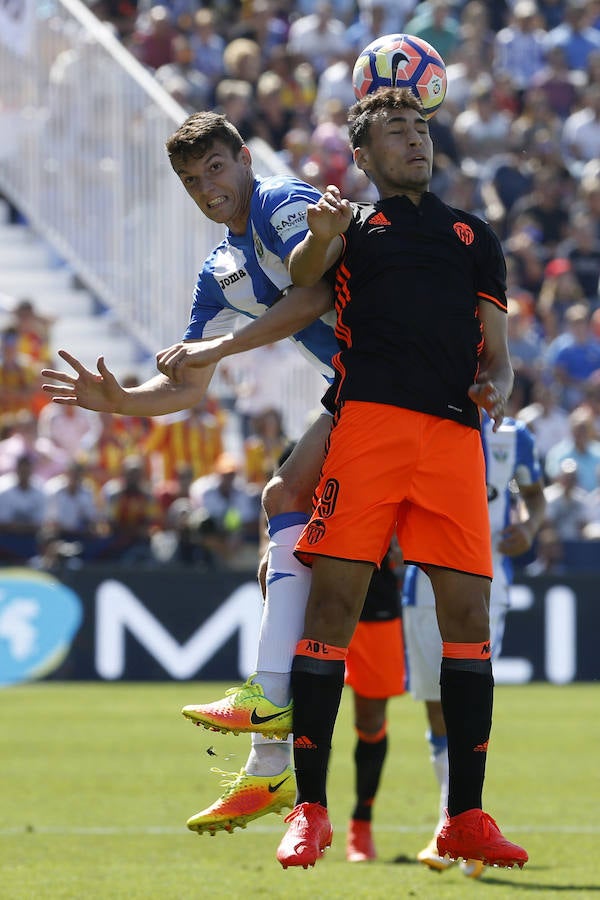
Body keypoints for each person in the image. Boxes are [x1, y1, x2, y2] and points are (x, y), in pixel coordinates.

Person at [171, 88, 528, 871]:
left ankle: (466, 816)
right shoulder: (351, 227)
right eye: (396, 131)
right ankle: (310, 810)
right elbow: (305, 279)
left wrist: (498, 380)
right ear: (362, 157)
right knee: (332, 607)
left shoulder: (479, 237)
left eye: (421, 128)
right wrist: (326, 233)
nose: (415, 140)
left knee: (468, 618)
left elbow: (497, 350)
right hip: (368, 426)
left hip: (453, 436)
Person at [41, 110, 338, 829]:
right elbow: (184, 385)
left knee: (285, 502)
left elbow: (316, 294)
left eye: (215, 168)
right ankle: (269, 763)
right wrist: (121, 403)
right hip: (358, 387)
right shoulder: (220, 270)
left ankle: (272, 732)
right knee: (285, 558)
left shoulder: (282, 203)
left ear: (242, 158)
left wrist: (217, 351)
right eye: (189, 180)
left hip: (400, 378)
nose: (207, 188)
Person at [402, 410, 546, 879]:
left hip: (489, 588)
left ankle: (453, 824)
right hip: (419, 586)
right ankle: (453, 822)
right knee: (434, 708)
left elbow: (536, 498)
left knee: (464, 699)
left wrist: (527, 528)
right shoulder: (422, 419)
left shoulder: (512, 436)